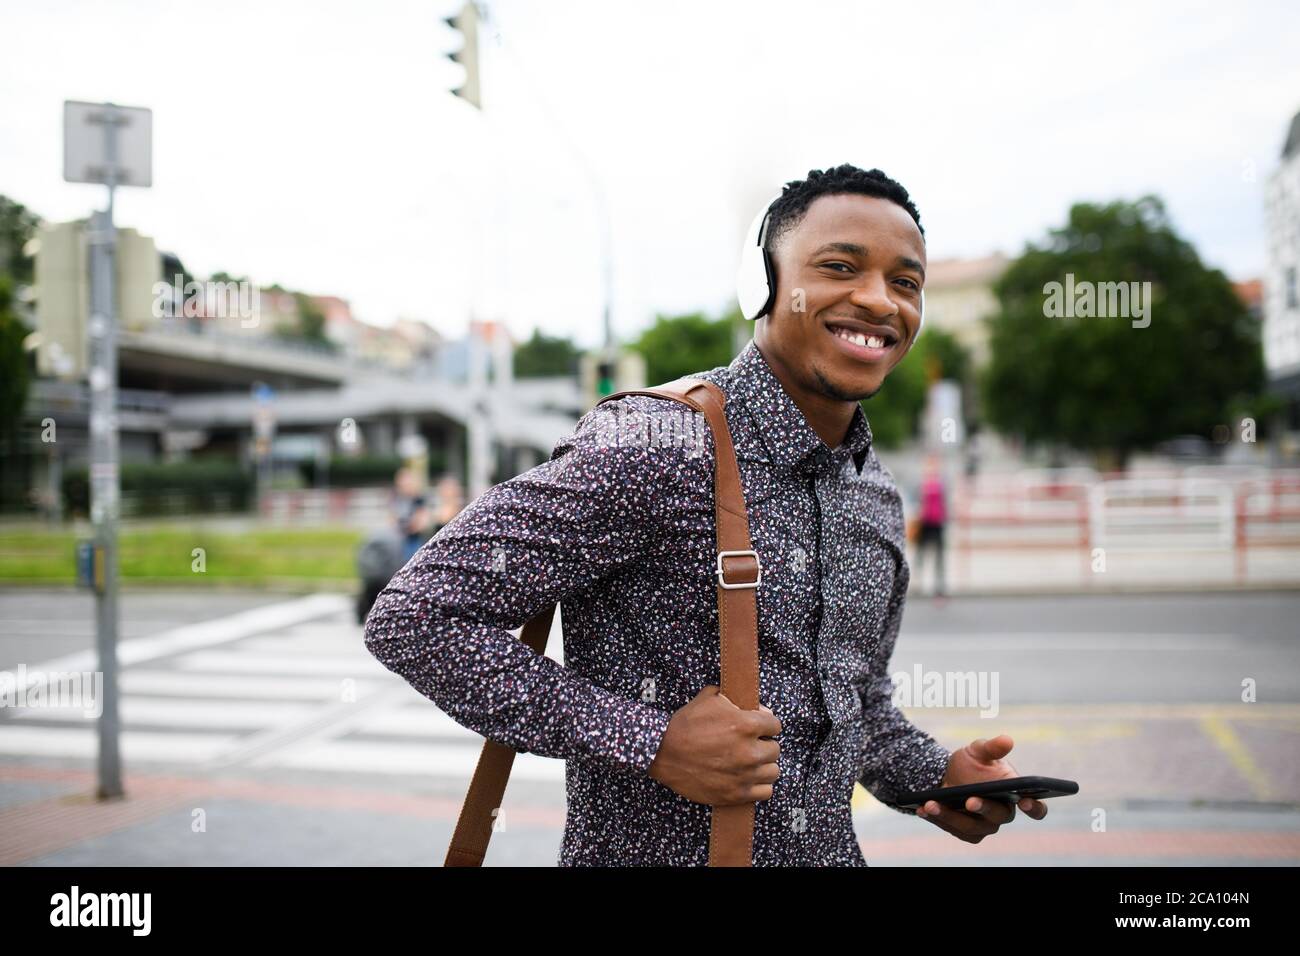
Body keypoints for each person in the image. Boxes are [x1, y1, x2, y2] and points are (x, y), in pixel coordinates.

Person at [363, 164, 1047, 866]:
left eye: (905, 283)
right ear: (765, 284)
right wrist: (650, 742)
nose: (878, 300)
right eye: (840, 267)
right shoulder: (654, 446)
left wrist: (936, 775)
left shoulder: (871, 487)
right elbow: (416, 618)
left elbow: (854, 708)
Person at [914, 454, 949, 598]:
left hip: (937, 522)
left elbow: (945, 503)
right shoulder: (922, 482)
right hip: (925, 522)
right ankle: (918, 584)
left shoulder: (941, 482)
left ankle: (938, 585)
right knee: (921, 555)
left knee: (938, 557)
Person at [392, 466, 433, 563]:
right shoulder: (397, 498)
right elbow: (393, 517)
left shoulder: (418, 499)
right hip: (400, 537)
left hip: (414, 538)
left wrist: (410, 526)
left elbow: (421, 519)